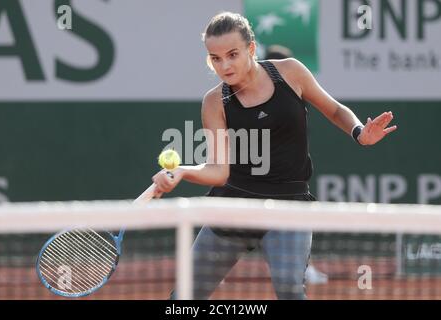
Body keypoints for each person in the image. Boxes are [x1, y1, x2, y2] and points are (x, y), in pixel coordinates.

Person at [152, 12, 397, 299]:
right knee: (183, 299)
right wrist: (182, 171)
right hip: (233, 208)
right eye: (215, 58)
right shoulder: (214, 102)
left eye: (232, 54)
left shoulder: (291, 72)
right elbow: (219, 171)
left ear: (251, 49)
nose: (224, 65)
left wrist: (358, 131)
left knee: (290, 290)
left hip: (289, 209)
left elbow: (334, 109)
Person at [264, 44, 329, 285]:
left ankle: (301, 268)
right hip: (257, 179)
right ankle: (212, 268)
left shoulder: (296, 97)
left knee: (293, 221)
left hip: (289, 178)